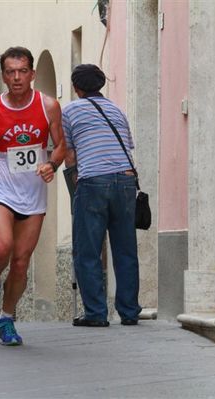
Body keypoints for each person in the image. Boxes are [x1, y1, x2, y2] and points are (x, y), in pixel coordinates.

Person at [0, 46, 66, 345]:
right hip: (2, 188)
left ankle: (7, 320)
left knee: (21, 262)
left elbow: (61, 145)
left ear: (32, 74)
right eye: (11, 72)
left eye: (23, 71)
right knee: (2, 247)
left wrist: (52, 164)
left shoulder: (49, 106)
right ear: (3, 76)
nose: (17, 77)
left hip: (33, 194)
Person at [62, 64, 142, 327]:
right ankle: (129, 312)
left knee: (87, 250)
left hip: (93, 181)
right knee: (126, 250)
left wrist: (75, 179)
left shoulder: (71, 111)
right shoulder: (117, 111)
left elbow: (69, 152)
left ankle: (96, 313)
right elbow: (127, 146)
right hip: (126, 181)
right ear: (100, 85)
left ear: (76, 87)